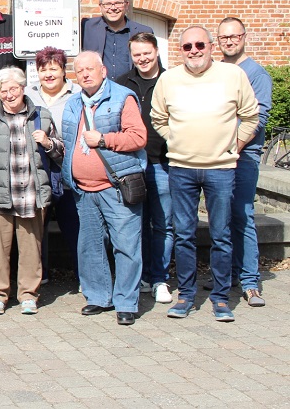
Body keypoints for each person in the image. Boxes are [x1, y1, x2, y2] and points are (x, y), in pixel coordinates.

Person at [151, 26, 259, 322]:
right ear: (180, 49)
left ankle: (221, 298)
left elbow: (251, 115)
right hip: (182, 168)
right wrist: (174, 140)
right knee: (184, 234)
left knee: (221, 235)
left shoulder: (232, 75)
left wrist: (234, 145)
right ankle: (186, 294)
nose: (194, 50)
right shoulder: (168, 79)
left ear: (211, 46)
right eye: (188, 46)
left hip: (221, 169)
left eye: (200, 44)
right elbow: (158, 117)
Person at [61, 52, 147, 326]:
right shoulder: (74, 102)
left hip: (116, 185)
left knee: (126, 246)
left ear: (103, 70)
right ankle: (98, 297)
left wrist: (104, 139)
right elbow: (69, 141)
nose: (85, 74)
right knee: (90, 247)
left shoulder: (123, 97)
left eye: (90, 69)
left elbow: (138, 137)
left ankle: (126, 302)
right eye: (80, 70)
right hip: (84, 189)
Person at [0, 67, 63, 316]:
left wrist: (47, 142)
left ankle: (28, 295)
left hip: (32, 195)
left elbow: (59, 153)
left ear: (23, 89)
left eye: (14, 89)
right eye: (4, 90)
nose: (9, 94)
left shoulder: (41, 116)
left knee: (31, 249)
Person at [217, 17, 272, 308]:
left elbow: (257, 119)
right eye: (224, 37)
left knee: (241, 215)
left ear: (243, 37)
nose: (229, 41)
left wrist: (233, 148)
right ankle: (226, 277)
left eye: (234, 36)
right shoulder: (217, 72)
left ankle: (250, 281)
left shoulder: (256, 74)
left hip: (242, 156)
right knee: (220, 219)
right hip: (215, 156)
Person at [114, 34, 172, 304]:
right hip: (133, 165)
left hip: (163, 162)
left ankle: (159, 278)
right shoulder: (122, 83)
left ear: (157, 51)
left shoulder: (172, 81)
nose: (143, 58)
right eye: (137, 54)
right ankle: (143, 276)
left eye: (147, 53)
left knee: (163, 224)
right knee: (137, 224)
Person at [26, 46, 82, 283]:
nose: (48, 74)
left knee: (75, 227)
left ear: (63, 71)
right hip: (38, 171)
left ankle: (84, 275)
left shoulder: (77, 94)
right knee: (38, 229)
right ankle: (42, 274)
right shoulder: (28, 94)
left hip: (69, 168)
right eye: (43, 69)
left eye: (54, 69)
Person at [80, 0, 153, 80]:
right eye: (108, 4)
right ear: (101, 6)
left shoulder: (143, 31)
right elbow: (63, 29)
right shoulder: (87, 27)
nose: (113, 8)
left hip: (131, 91)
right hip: (97, 91)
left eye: (118, 3)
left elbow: (155, 66)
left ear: (126, 5)